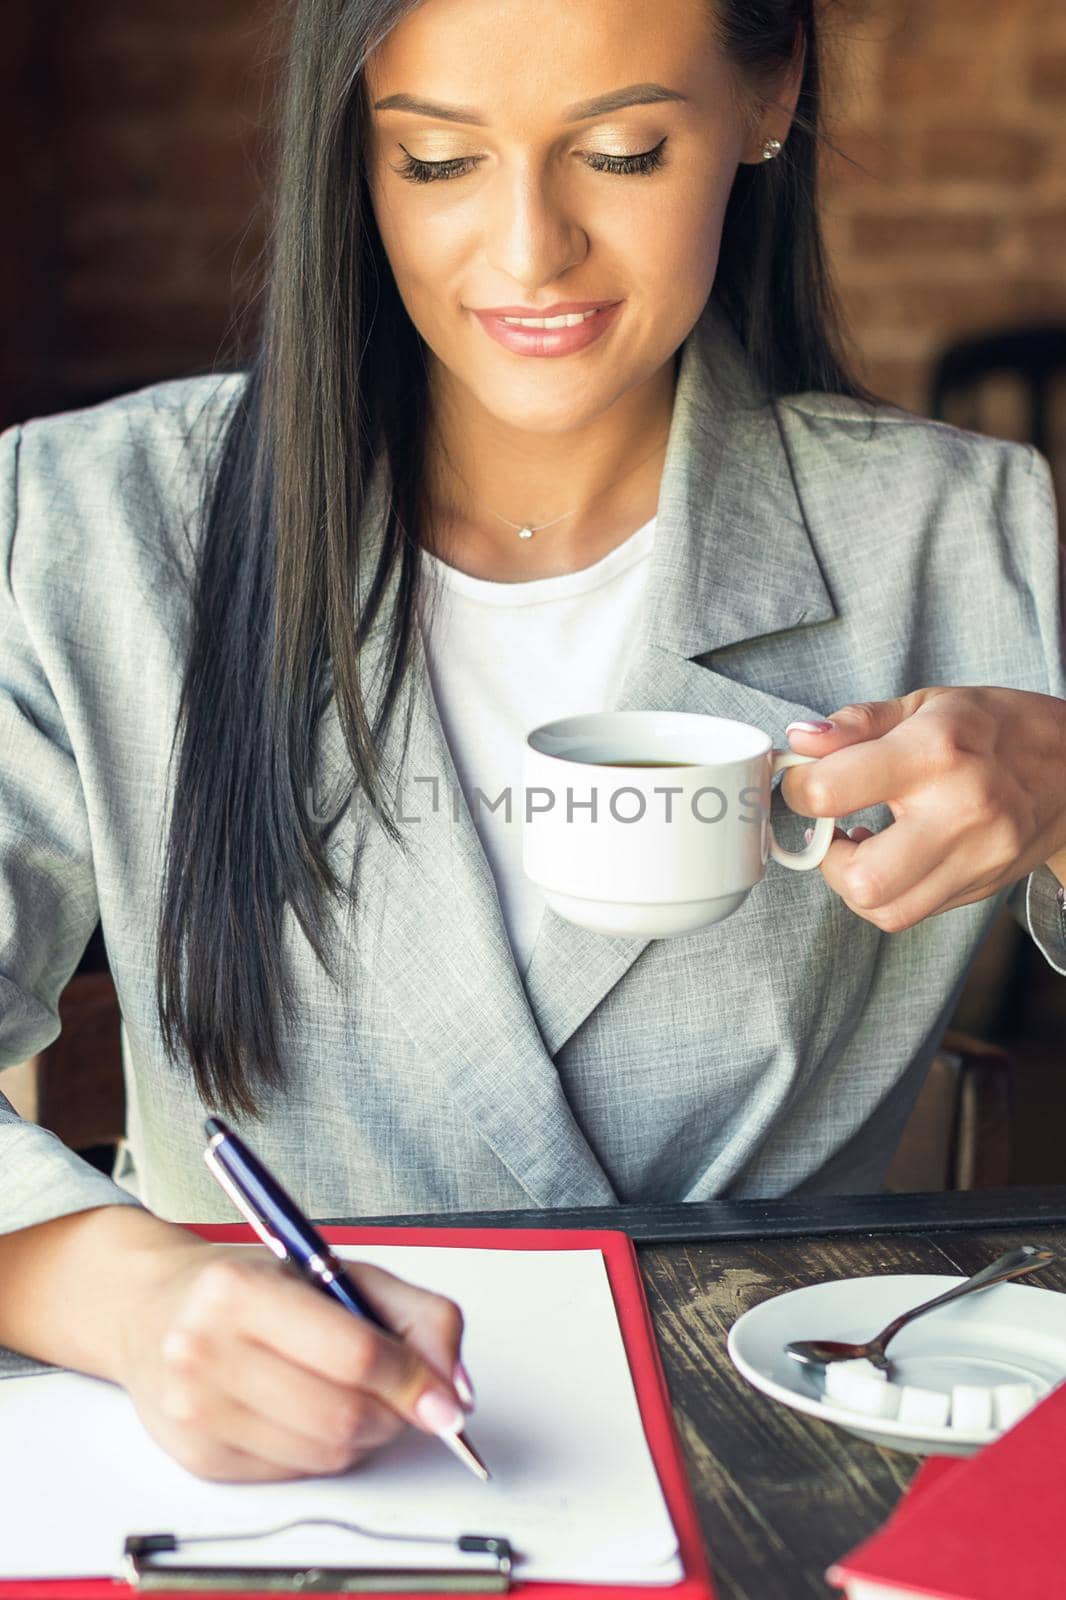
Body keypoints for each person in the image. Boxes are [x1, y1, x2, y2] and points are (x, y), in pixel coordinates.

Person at [1, 0, 1064, 1486]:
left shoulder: (956, 536)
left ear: (767, 98)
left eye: (622, 152)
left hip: (782, 1464)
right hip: (273, 1489)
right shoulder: (85, 525)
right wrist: (131, 1299)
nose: (524, 251)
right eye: (434, 162)